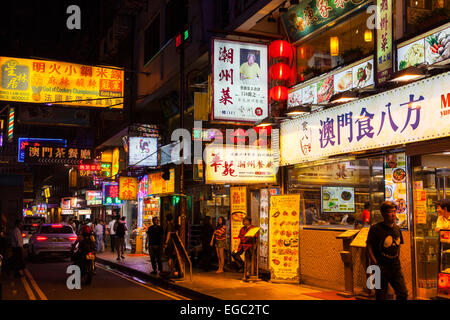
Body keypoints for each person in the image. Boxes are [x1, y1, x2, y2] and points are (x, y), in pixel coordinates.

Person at [366, 201, 408, 300]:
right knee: (381, 295)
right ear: (383, 214)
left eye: (394, 211)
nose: (393, 214)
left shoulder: (397, 229)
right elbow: (369, 246)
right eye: (390, 212)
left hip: (395, 267)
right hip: (380, 267)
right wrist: (375, 263)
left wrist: (397, 259)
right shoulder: (375, 229)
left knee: (403, 293)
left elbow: (398, 246)